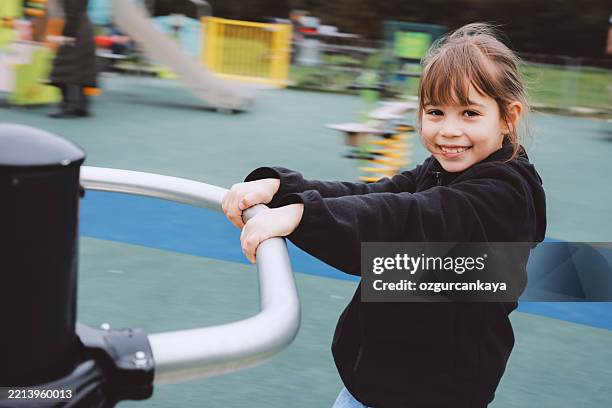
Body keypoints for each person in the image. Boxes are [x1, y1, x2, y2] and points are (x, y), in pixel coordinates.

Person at [222, 23, 546, 407]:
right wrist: (283, 189)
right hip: (376, 383)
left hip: (432, 393)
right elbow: (378, 193)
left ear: (508, 117)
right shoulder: (440, 170)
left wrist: (305, 216)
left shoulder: (504, 194)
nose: (448, 130)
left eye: (470, 113)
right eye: (435, 112)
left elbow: (408, 220)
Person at [48, 0, 97, 118]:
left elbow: (72, 13)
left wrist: (65, 35)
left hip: (75, 31)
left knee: (64, 70)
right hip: (83, 30)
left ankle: (68, 106)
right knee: (80, 71)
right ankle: (81, 106)